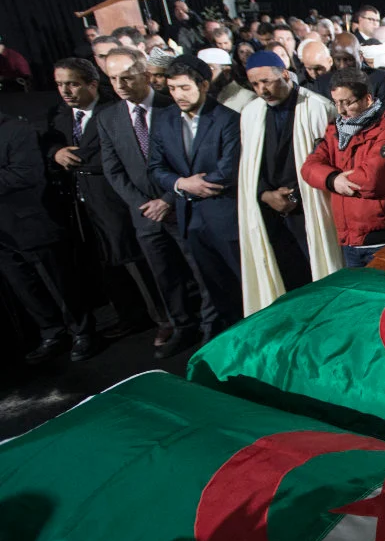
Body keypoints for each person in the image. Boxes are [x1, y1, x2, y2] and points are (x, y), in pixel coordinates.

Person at [96, 47, 206, 358]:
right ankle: (183, 326)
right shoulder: (108, 117)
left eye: (127, 78)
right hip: (145, 215)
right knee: (165, 277)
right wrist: (145, 205)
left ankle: (215, 325)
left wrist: (168, 198)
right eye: (113, 78)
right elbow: (113, 170)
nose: (119, 85)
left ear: (145, 75)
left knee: (201, 271)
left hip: (183, 207)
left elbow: (193, 158)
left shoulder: (173, 107)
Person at [45, 58, 161, 339]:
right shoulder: (59, 115)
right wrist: (56, 152)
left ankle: (162, 317)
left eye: (72, 83)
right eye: (60, 84)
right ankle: (131, 316)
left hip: (117, 201)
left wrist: (74, 160)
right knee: (106, 264)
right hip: (84, 207)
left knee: (139, 262)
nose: (65, 91)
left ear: (92, 84)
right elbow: (48, 142)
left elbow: (109, 157)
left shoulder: (114, 111)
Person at [238, 51, 341, 315]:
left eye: (267, 82)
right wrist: (264, 194)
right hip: (270, 208)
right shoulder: (250, 113)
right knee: (283, 273)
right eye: (255, 85)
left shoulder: (318, 107)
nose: (262, 90)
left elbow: (326, 162)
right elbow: (248, 167)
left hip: (307, 206)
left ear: (285, 74)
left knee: (316, 270)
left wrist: (292, 196)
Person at [146, 55, 243, 332]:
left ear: (203, 84)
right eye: (173, 88)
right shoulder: (163, 120)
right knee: (214, 290)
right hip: (189, 218)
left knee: (240, 285)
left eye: (184, 87)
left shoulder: (227, 118)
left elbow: (228, 170)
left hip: (225, 217)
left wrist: (195, 184)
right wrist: (181, 184)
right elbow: (155, 167)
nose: (178, 95)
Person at [0, 110, 97, 362]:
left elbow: (24, 175)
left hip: (31, 221)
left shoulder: (16, 130)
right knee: (24, 285)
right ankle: (52, 333)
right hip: (3, 232)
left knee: (57, 281)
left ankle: (82, 332)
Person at [301, 67, 385, 268]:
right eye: (336, 102)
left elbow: (371, 180)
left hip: (381, 238)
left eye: (347, 102)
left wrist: (331, 178)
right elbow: (309, 167)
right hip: (349, 239)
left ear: (367, 99)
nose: (341, 110)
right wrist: (333, 179)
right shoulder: (336, 128)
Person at [198, 47, 256, 113]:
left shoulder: (248, 99)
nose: (204, 75)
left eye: (210, 69)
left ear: (226, 71)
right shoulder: (199, 98)